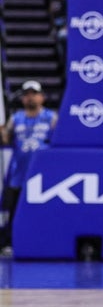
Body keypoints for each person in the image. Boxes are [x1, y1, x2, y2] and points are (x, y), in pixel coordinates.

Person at [1, 81, 56, 251]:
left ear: (42, 97)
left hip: (43, 173)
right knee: (15, 210)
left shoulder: (51, 117)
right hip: (19, 173)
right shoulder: (16, 118)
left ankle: (45, 241)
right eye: (26, 94)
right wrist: (3, 132)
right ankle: (10, 242)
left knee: (42, 209)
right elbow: (6, 140)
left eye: (34, 94)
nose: (30, 97)